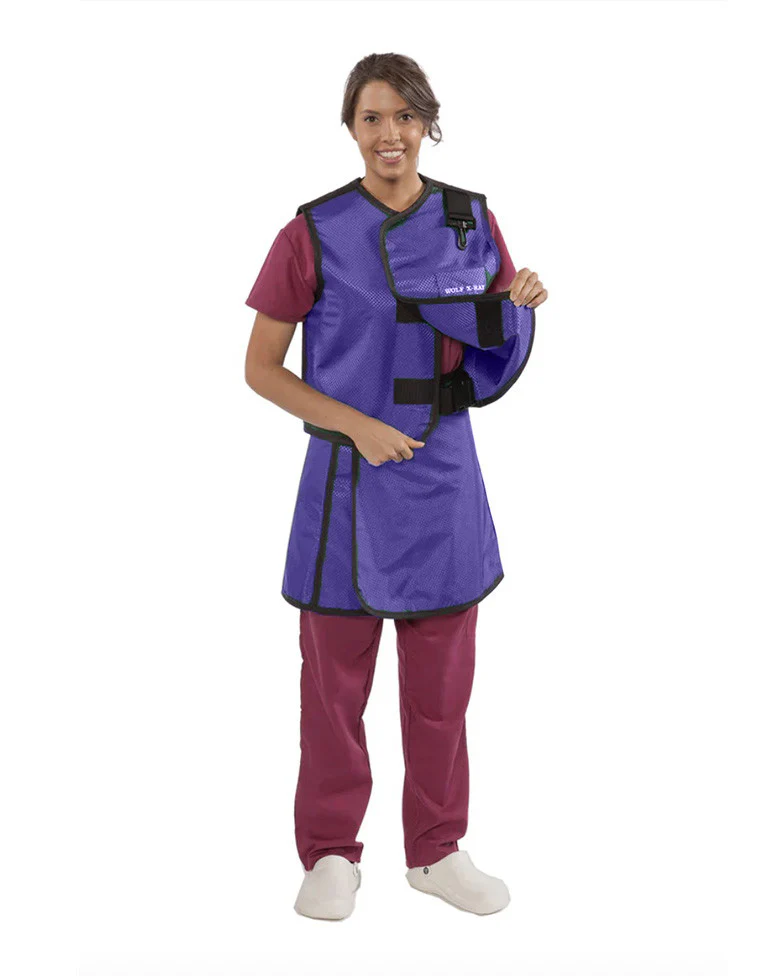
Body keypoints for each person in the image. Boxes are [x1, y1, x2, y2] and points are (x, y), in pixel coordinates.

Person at [244, 53, 548, 921]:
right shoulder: (311, 233)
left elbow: (493, 335)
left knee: (442, 692)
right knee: (332, 692)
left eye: (406, 117)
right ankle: (330, 853)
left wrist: (521, 302)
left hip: (443, 480)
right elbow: (262, 369)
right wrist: (356, 425)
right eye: (372, 118)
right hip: (347, 484)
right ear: (351, 127)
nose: (390, 134)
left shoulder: (469, 219)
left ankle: (437, 852)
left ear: (427, 123)